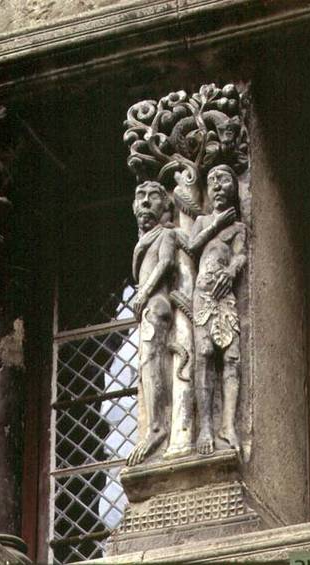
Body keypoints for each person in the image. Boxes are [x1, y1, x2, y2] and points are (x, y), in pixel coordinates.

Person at [189, 164, 247, 455]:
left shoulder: (237, 228)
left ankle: (228, 425)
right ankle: (206, 428)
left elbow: (240, 255)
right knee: (204, 354)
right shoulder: (202, 221)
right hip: (203, 296)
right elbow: (192, 246)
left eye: (223, 180)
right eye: (211, 181)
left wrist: (232, 272)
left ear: (233, 188)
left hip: (225, 296)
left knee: (232, 356)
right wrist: (215, 224)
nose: (217, 186)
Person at [127, 180, 176, 466]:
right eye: (140, 196)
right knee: (147, 363)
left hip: (156, 304)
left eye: (154, 197)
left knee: (151, 361)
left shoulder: (165, 235)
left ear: (166, 205)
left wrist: (144, 292)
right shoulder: (146, 237)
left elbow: (166, 263)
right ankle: (156, 425)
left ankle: (157, 427)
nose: (145, 202)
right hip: (147, 306)